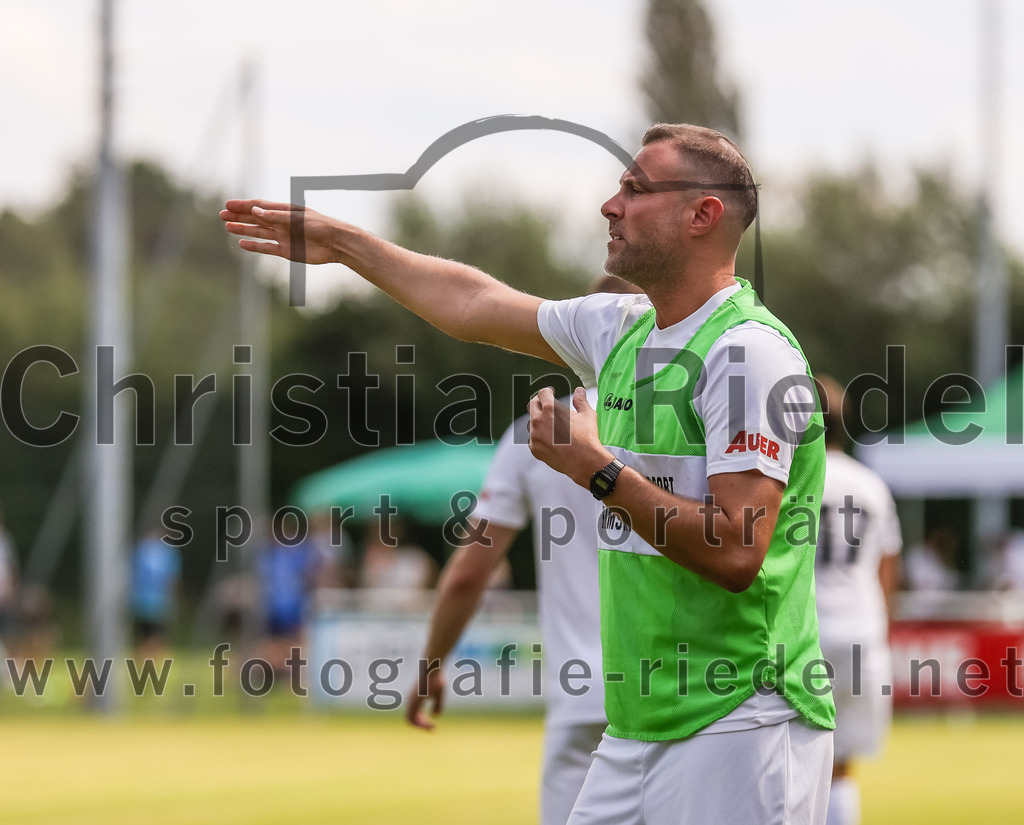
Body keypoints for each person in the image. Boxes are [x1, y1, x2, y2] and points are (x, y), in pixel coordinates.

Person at [223, 122, 835, 824]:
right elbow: (473, 304)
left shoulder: (746, 354)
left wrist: (598, 470)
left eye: (635, 189)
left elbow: (737, 549)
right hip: (638, 722)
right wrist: (347, 246)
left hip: (742, 718)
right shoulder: (621, 329)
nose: (610, 205)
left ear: (703, 215)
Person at [405, 274, 639, 825]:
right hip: (683, 690)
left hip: (580, 696)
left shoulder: (535, 430)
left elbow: (470, 571)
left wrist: (432, 664)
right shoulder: (691, 421)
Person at [814, 376, 902, 825]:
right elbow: (887, 569)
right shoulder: (872, 485)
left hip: (802, 634)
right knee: (843, 766)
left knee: (797, 759)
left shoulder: (791, 480)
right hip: (860, 631)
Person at [129, 528, 182, 657]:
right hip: (159, 601)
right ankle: (150, 658)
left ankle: (144, 658)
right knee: (157, 634)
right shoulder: (168, 553)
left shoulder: (139, 551)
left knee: (144, 633)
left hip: (140, 601)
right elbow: (172, 578)